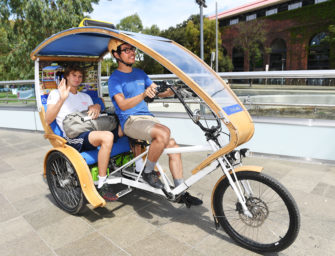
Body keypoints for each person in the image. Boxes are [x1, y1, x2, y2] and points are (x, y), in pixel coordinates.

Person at [107, 39, 203, 206]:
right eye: (127, 50)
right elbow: (122, 105)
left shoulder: (140, 73)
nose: (132, 52)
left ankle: (180, 192)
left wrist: (173, 89)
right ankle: (148, 172)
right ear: (116, 55)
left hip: (148, 118)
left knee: (173, 146)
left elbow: (157, 92)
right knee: (164, 132)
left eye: (133, 49)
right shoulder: (115, 79)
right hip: (130, 121)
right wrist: (143, 95)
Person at [45, 65, 118, 202]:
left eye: (79, 76)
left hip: (91, 129)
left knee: (124, 127)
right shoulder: (55, 94)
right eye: (74, 75)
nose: (77, 79)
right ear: (66, 76)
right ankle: (102, 183)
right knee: (107, 136)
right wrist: (62, 98)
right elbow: (48, 120)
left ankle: (140, 169)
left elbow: (92, 116)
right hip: (74, 137)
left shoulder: (85, 96)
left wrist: (96, 107)